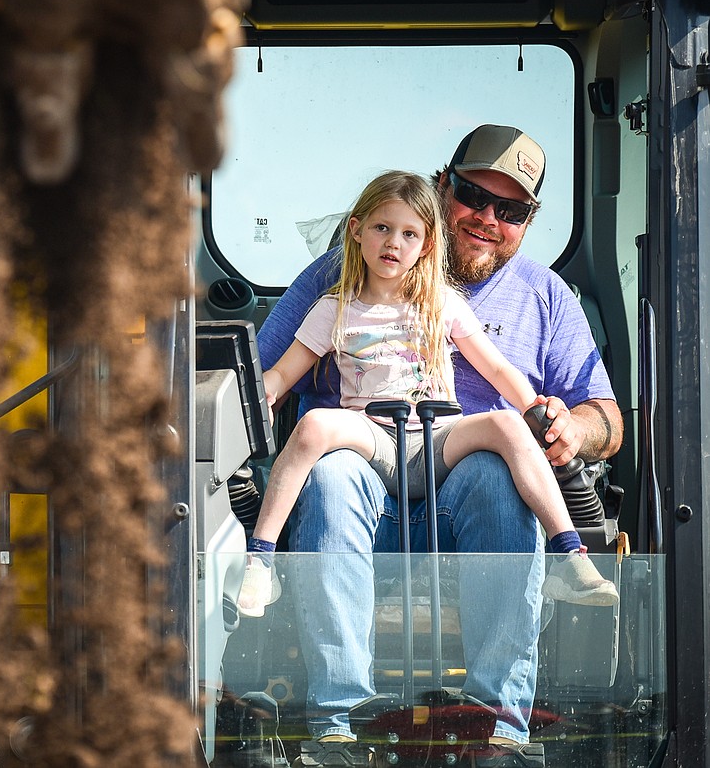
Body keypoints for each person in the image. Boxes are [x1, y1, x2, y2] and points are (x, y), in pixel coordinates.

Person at [256, 125, 624, 766]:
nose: (488, 219)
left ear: (528, 222)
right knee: (331, 474)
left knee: (496, 472)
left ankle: (498, 729)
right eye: (474, 196)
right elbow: (259, 381)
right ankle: (336, 722)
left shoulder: (546, 296)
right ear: (440, 186)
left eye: (510, 211)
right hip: (363, 470)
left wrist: (571, 428)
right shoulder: (336, 284)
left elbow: (608, 420)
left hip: (463, 476)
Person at [237, 170, 616, 619]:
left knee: (507, 425)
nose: (393, 244)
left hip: (438, 438)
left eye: (409, 234)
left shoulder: (444, 304)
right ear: (355, 230)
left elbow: (495, 367)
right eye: (382, 228)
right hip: (370, 438)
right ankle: (260, 561)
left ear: (427, 245)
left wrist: (536, 408)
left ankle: (570, 556)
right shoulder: (331, 306)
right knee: (314, 425)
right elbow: (281, 372)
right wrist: (254, 395)